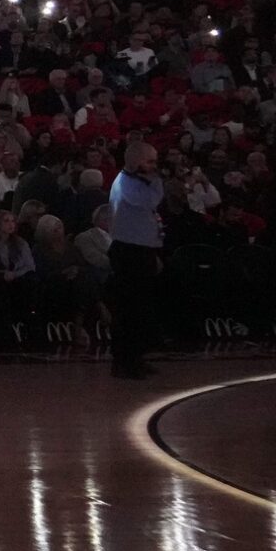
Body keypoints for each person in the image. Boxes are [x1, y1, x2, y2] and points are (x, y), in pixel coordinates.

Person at [106, 143, 164, 378]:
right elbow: (150, 201)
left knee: (142, 307)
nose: (154, 166)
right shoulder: (126, 183)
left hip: (142, 250)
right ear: (135, 160)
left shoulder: (139, 182)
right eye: (149, 161)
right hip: (129, 251)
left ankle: (137, 356)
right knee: (129, 308)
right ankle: (124, 361)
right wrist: (157, 180)